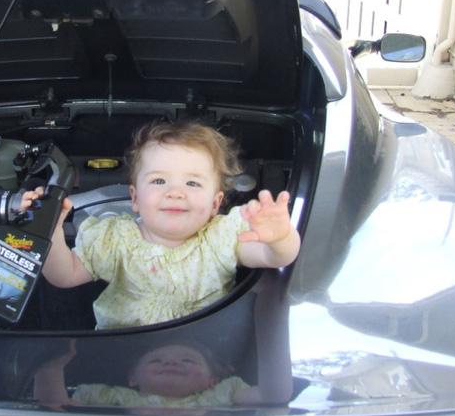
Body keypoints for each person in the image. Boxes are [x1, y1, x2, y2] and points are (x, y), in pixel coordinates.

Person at [21, 121, 300, 329]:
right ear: (135, 198)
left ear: (215, 204)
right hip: (121, 361)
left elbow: (276, 257)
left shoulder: (221, 237)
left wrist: (279, 237)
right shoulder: (116, 239)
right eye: (159, 181)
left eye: (192, 183)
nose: (175, 192)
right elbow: (64, 276)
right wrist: (50, 229)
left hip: (203, 360)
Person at [34, 339, 258, 408]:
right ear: (133, 378)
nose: (170, 362)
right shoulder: (111, 398)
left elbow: (271, 395)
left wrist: (268, 305)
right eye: (156, 360)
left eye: (187, 360)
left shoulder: (226, 393)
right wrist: (51, 369)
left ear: (212, 380)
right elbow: (55, 409)